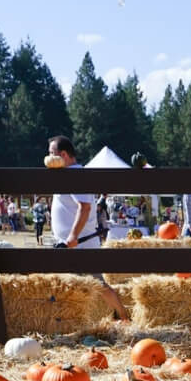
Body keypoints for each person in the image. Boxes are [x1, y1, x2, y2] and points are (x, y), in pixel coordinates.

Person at [45, 136, 128, 320]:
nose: (48, 157)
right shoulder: (68, 175)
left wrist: (73, 236)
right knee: (81, 284)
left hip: (79, 243)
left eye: (52, 153)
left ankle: (123, 316)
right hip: (71, 244)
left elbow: (85, 207)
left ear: (63, 154)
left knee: (98, 285)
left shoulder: (75, 176)